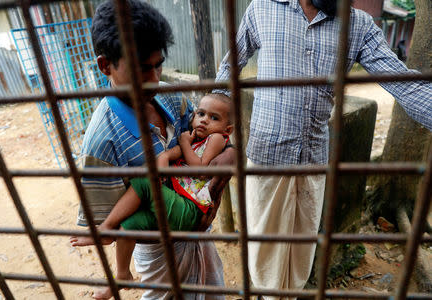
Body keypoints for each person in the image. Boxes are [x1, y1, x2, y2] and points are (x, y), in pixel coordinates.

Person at [214, 0, 432, 298]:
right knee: (265, 260)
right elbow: (230, 64)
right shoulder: (262, 8)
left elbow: (405, 84)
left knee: (301, 257)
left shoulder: (357, 25)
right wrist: (212, 119)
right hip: (268, 156)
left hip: (314, 160)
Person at [76, 1, 232, 299]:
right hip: (159, 257)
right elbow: (112, 228)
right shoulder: (101, 144)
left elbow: (215, 141)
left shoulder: (174, 99)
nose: (154, 78)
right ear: (105, 65)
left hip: (199, 232)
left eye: (158, 65)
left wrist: (220, 177)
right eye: (140, 68)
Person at [71, 94, 233, 298]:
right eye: (200, 113)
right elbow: (176, 153)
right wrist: (166, 155)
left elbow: (200, 170)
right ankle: (122, 275)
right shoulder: (194, 136)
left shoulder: (215, 138)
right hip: (173, 206)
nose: (204, 120)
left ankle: (105, 227)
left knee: (145, 181)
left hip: (189, 209)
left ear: (228, 130)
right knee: (128, 226)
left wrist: (183, 144)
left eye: (214, 118)